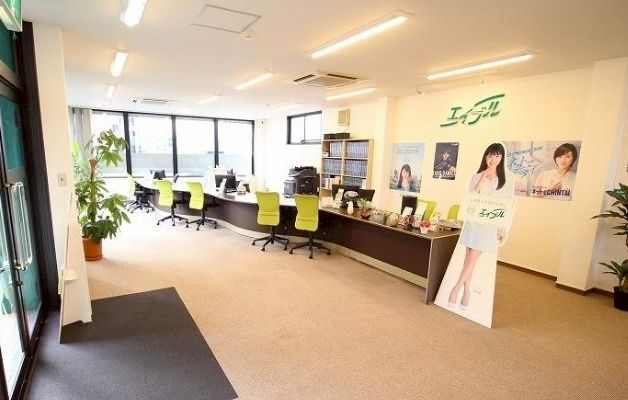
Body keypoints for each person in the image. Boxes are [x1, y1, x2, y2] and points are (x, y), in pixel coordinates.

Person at [448, 143, 513, 311]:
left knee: (471, 260)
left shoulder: (506, 179)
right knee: (469, 261)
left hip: (489, 225)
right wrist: (480, 182)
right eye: (490, 155)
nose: (493, 159)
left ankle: (456, 289)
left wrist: (502, 228)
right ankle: (467, 292)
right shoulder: (477, 176)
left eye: (497, 156)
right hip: (473, 222)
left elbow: (507, 205)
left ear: (502, 158)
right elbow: (470, 199)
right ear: (485, 156)